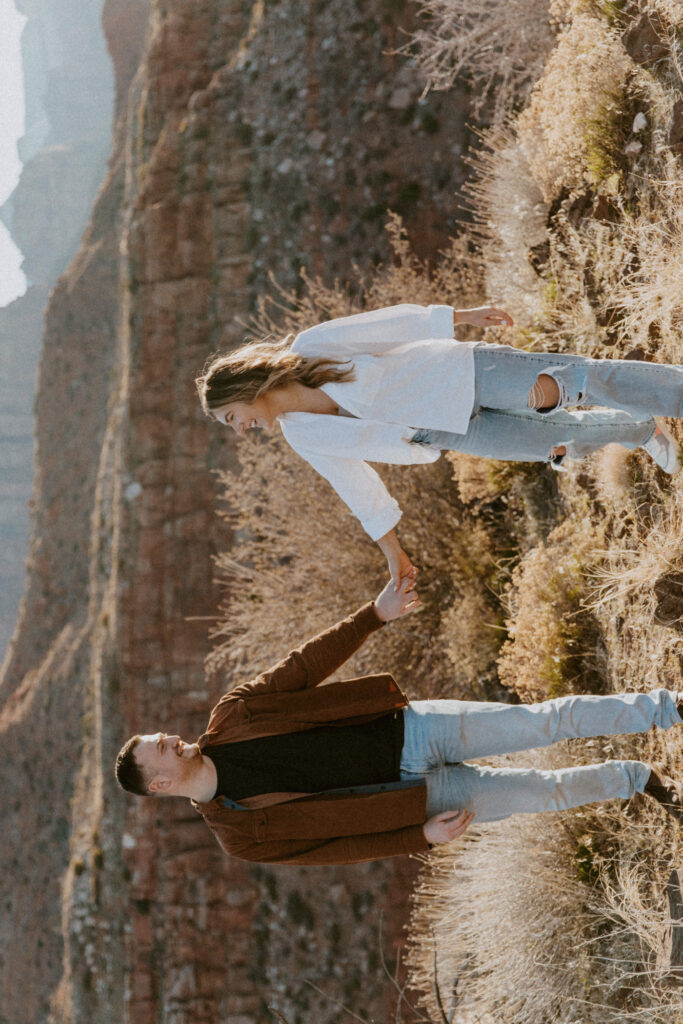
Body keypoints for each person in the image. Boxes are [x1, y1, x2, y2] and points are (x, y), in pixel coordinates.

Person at [115, 579, 683, 866]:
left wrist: (373, 616)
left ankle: (666, 707)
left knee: (545, 721)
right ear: (160, 783)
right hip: (422, 798)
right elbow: (339, 848)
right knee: (547, 794)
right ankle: (637, 778)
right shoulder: (239, 836)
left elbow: (305, 664)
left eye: (157, 736)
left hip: (413, 729)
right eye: (156, 749)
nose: (167, 736)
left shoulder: (231, 715)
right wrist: (420, 836)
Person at [196, 303, 683, 587]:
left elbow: (389, 324)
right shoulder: (301, 432)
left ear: (243, 390)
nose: (240, 429)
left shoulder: (310, 348)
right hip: (445, 431)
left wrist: (465, 314)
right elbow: (354, 484)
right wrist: (393, 553)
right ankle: (641, 430)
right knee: (558, 440)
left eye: (231, 418)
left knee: (580, 381)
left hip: (465, 373)